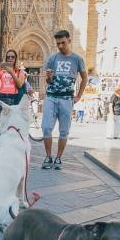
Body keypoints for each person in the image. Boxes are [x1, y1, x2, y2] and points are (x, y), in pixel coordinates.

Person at [41, 30, 87, 170]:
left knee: (64, 131)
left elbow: (84, 78)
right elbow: (48, 82)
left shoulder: (77, 59)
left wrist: (79, 95)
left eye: (63, 43)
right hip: (51, 97)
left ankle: (58, 158)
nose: (60, 46)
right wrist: (49, 77)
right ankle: (48, 156)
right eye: (58, 44)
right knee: (46, 128)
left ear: (69, 41)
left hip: (67, 99)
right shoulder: (52, 59)